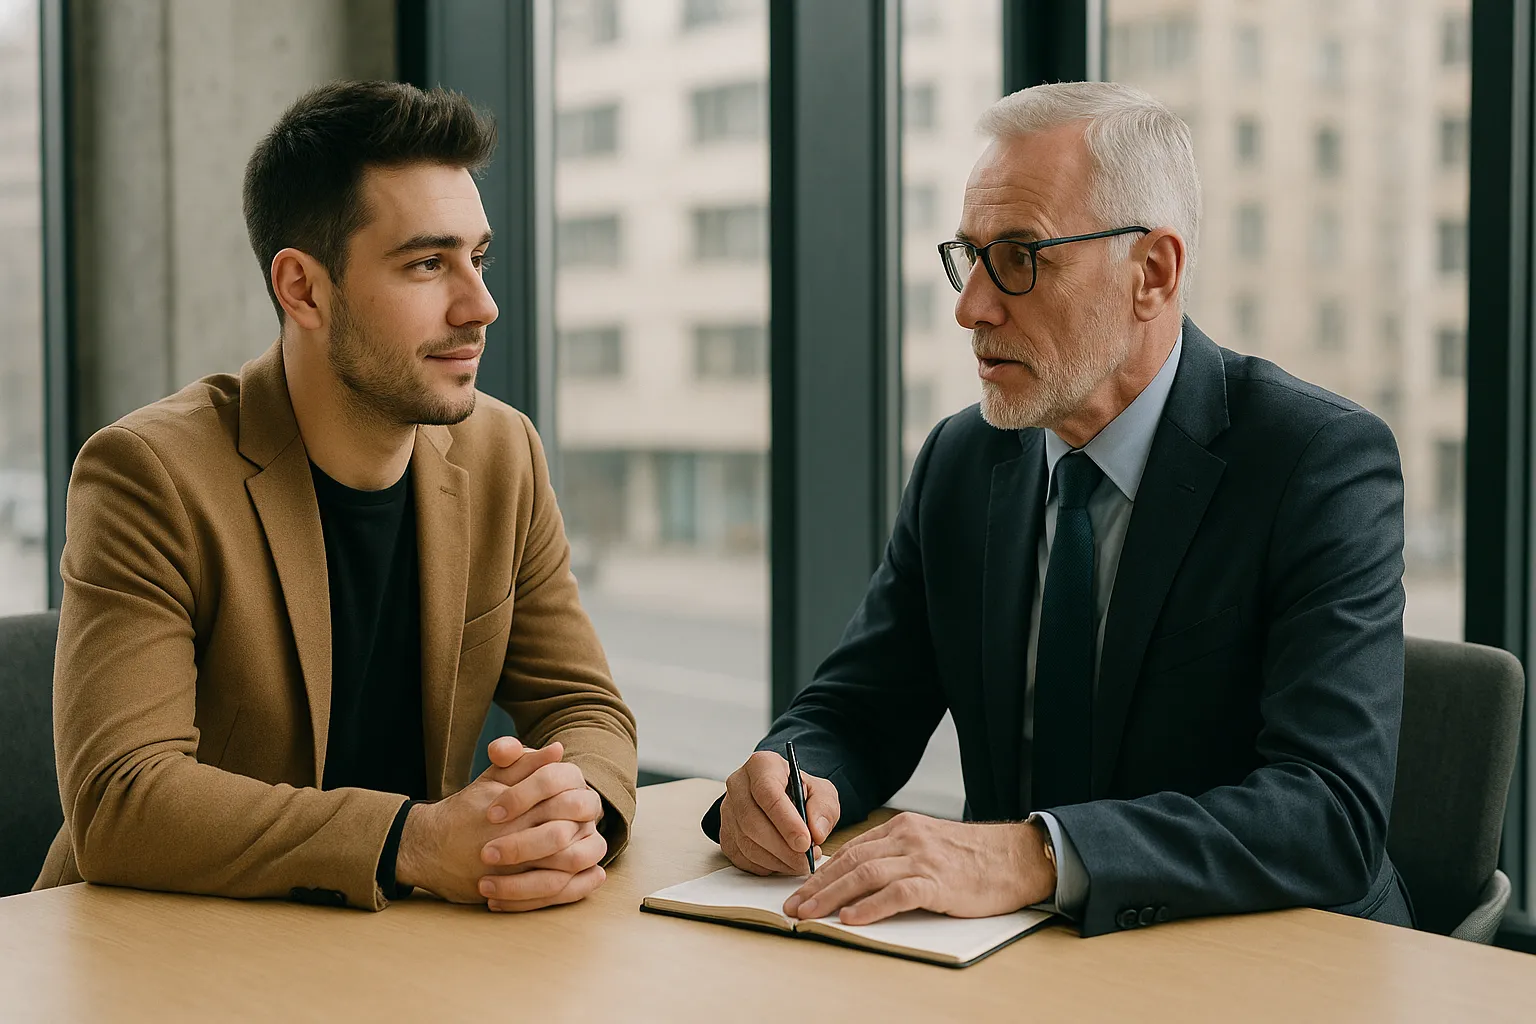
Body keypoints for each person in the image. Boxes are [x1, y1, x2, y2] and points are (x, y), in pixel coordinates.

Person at [705, 81, 1414, 937]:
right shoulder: (962, 462)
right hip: (1015, 956)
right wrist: (792, 775)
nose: (970, 307)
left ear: (1152, 273)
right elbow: (858, 709)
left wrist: (1037, 854)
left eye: (1020, 257)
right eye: (969, 257)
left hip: (1267, 960)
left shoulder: (1315, 461)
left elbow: (1327, 811)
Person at [35, 81, 638, 913]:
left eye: (479, 257)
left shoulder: (505, 453)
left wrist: (572, 813)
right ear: (304, 290)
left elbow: (584, 706)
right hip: (164, 951)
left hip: (400, 948)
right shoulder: (149, 475)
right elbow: (122, 798)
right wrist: (417, 841)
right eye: (428, 263)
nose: (481, 305)